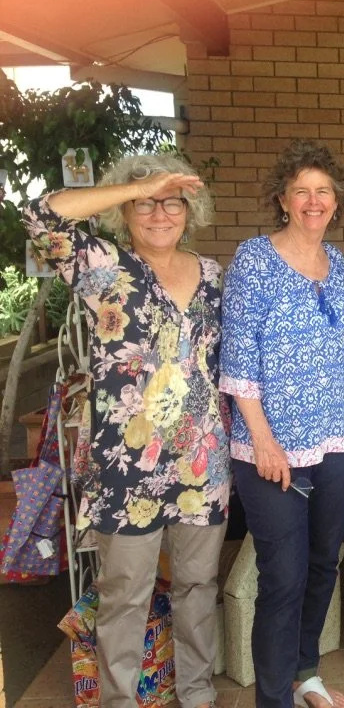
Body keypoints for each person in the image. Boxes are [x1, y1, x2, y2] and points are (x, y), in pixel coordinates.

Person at [23, 154, 229, 708]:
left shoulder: (212, 276)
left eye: (171, 201)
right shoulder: (102, 268)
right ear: (126, 209)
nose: (160, 212)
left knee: (197, 588)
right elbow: (43, 215)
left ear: (190, 210)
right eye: (145, 202)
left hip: (201, 465)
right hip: (124, 467)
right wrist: (138, 183)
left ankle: (196, 694)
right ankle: (118, 700)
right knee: (126, 595)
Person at [220, 140, 344, 708]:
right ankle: (273, 698)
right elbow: (238, 357)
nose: (313, 201)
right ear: (283, 198)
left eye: (323, 191)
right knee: (283, 576)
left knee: (324, 562)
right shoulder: (255, 258)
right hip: (270, 446)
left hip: (340, 436)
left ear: (336, 201)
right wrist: (263, 441)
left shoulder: (338, 262)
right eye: (301, 191)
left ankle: (307, 673)